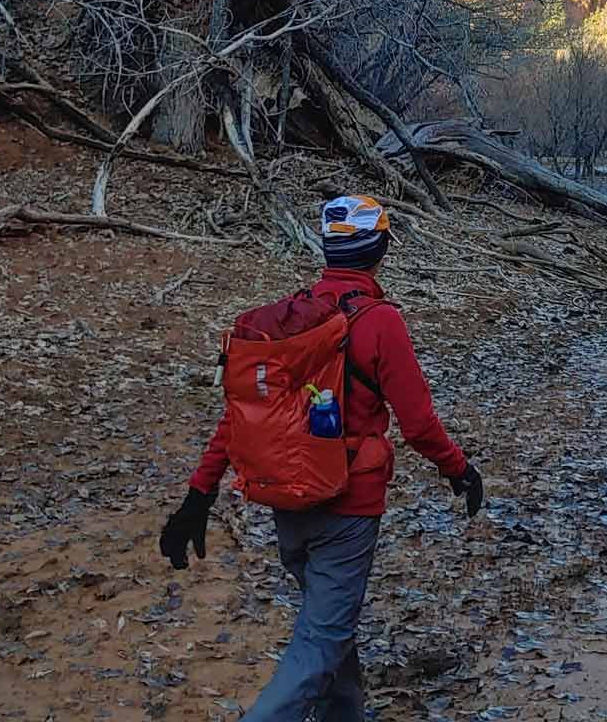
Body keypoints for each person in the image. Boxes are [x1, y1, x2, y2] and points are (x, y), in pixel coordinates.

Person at [158, 195, 483, 722]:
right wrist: (459, 471)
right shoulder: (380, 323)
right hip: (348, 508)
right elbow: (419, 424)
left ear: (328, 249)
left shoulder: (290, 320)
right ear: (380, 249)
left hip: (287, 502)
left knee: (330, 628)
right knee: (320, 642)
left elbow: (240, 417)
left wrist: (199, 495)